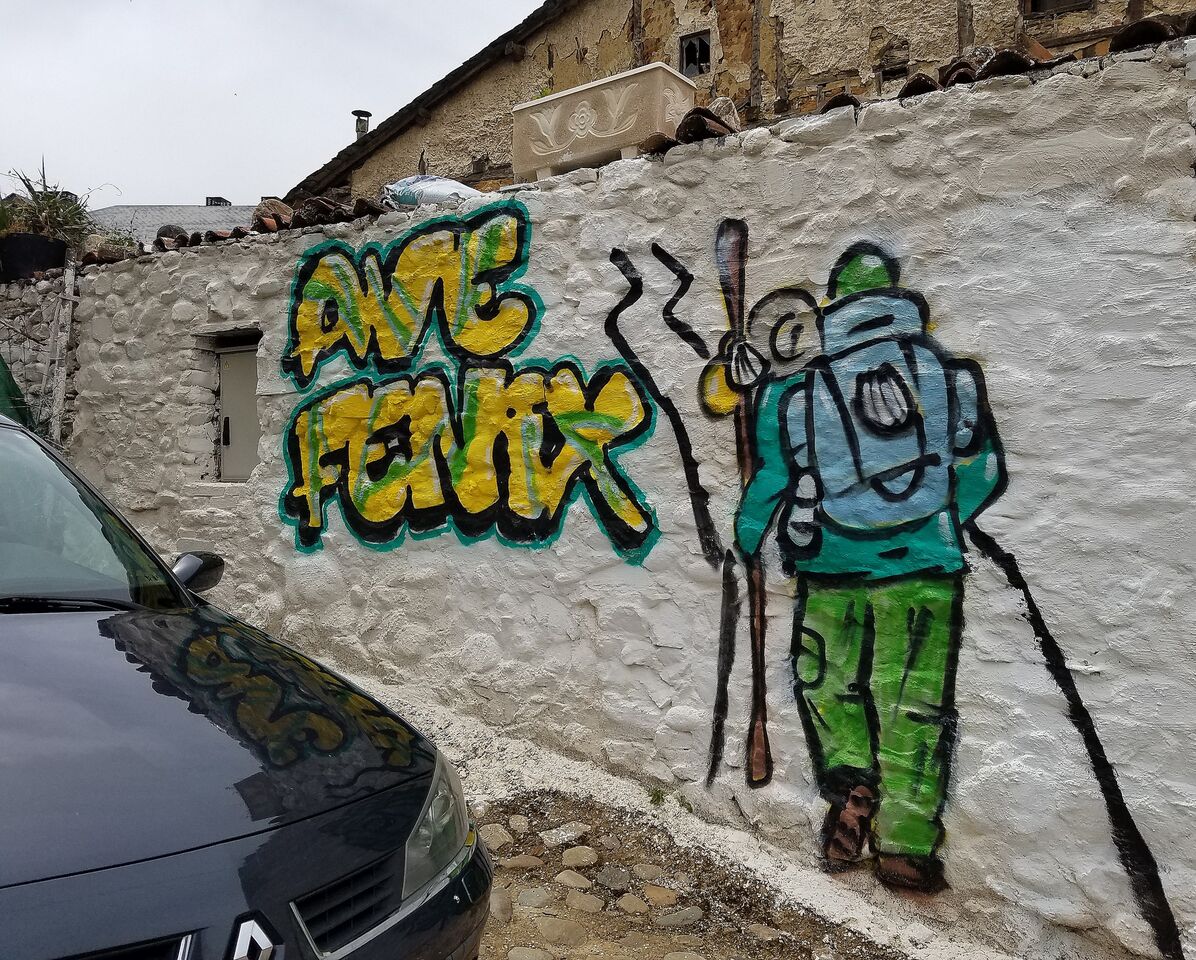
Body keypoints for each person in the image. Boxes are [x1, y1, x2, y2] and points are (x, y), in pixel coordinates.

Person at [735, 243, 1007, 891]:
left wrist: (748, 535)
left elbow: (772, 477)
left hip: (829, 569)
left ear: (834, 306)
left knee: (828, 687)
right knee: (918, 705)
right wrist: (939, 522)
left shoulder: (795, 392)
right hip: (927, 571)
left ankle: (852, 790)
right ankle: (908, 845)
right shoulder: (951, 377)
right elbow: (985, 469)